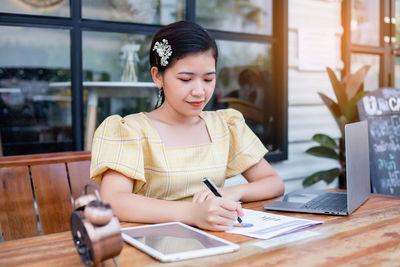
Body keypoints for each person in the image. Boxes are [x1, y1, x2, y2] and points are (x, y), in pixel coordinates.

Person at [90, 21, 284, 231]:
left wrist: (231, 192)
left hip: (216, 242)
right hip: (150, 245)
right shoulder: (132, 131)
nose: (199, 91)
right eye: (185, 79)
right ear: (157, 76)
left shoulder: (225, 126)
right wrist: (193, 214)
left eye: (208, 79)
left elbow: (273, 183)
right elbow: (114, 200)